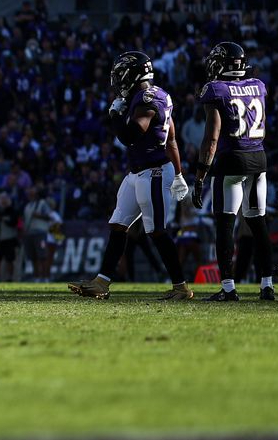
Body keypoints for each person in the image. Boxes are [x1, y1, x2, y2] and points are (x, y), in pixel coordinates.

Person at [68, 52, 193, 301]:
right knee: (118, 224)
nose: (116, 80)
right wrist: (179, 173)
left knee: (156, 231)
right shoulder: (157, 95)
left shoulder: (146, 99)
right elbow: (172, 139)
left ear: (131, 75)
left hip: (154, 172)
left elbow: (130, 135)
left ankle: (181, 287)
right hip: (138, 172)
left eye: (120, 75)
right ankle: (102, 282)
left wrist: (114, 115)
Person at [192, 42, 273, 301]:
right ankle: (267, 285)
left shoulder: (215, 89)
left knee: (226, 224)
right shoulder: (258, 85)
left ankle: (228, 288)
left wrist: (200, 175)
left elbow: (212, 137)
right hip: (258, 159)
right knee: (258, 224)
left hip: (231, 162)